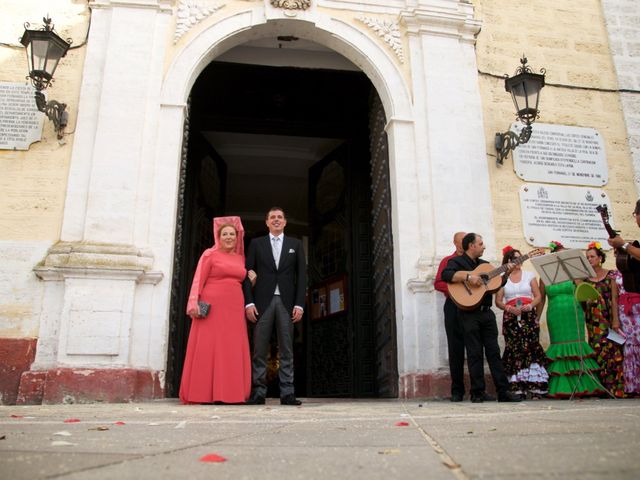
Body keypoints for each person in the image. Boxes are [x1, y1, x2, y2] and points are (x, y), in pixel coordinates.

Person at [179, 216, 255, 404]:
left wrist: (251, 280)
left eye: (232, 234)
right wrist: (193, 303)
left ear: (237, 237)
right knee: (208, 347)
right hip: (212, 306)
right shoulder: (209, 254)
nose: (229, 237)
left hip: (234, 307)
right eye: (225, 234)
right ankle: (202, 393)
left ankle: (231, 394)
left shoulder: (240, 258)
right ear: (218, 237)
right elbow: (198, 279)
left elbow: (240, 280)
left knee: (231, 347)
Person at [441, 233, 522, 403]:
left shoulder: (485, 266)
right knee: (474, 353)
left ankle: (503, 391)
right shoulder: (456, 262)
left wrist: (506, 274)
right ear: (471, 245)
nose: (484, 246)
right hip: (468, 313)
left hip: (486, 312)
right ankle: (477, 392)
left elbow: (496, 284)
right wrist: (469, 277)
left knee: (494, 351)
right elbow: (446, 275)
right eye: (481, 243)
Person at [244, 207, 307, 406]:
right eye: (273, 217)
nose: (276, 220)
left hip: (287, 303)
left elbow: (302, 277)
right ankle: (258, 393)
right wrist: (249, 302)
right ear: (267, 222)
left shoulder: (295, 244)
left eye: (280, 217)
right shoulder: (256, 244)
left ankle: (287, 393)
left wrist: (299, 304)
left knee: (287, 349)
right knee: (259, 348)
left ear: (285, 222)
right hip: (262, 302)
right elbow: (247, 273)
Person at [540, 241, 603, 398]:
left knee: (576, 345)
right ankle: (561, 387)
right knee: (559, 346)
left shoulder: (574, 272)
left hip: (573, 311)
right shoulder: (545, 275)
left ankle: (582, 384)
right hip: (555, 313)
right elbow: (541, 299)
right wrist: (536, 317)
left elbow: (582, 291)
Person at [495, 246, 549, 399]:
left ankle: (535, 387)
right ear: (508, 262)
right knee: (514, 348)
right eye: (514, 259)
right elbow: (498, 301)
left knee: (531, 347)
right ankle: (518, 387)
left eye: (520, 258)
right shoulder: (502, 278)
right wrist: (509, 308)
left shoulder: (529, 275)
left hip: (528, 315)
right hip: (511, 317)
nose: (518, 261)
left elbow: (538, 296)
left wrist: (530, 306)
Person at [581, 242, 625, 397]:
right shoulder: (585, 279)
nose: (590, 259)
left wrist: (615, 320)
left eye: (592, 256)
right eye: (587, 257)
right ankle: (601, 388)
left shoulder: (610, 274)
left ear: (600, 258)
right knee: (596, 350)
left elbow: (614, 298)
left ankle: (615, 388)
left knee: (612, 352)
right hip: (593, 320)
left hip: (607, 318)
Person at [434, 231, 467, 402]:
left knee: (475, 348)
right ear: (455, 243)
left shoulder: (473, 262)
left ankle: (478, 390)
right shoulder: (447, 261)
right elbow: (438, 283)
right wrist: (457, 291)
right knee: (455, 349)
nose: (466, 243)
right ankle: (457, 390)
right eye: (463, 240)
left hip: (472, 308)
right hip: (453, 307)